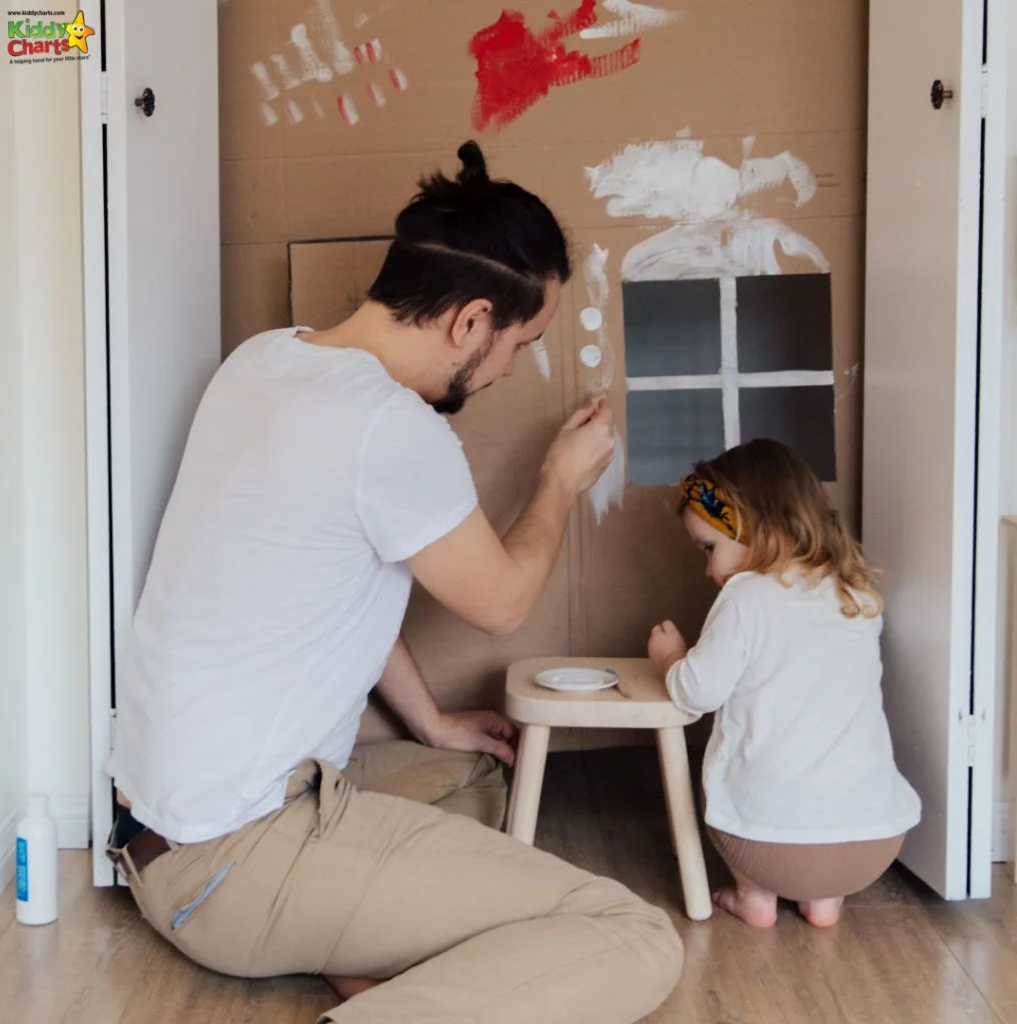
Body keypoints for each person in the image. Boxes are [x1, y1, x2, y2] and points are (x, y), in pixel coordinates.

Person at [105, 141, 683, 1024]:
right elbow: (503, 605)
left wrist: (431, 720)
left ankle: (357, 953)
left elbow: (339, 594)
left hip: (158, 833)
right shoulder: (391, 431)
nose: (511, 369)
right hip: (232, 864)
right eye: (520, 344)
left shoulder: (264, 361)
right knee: (632, 934)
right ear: (470, 321)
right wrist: (559, 481)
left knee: (480, 778)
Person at [647, 439, 922, 929]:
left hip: (768, 846)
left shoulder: (745, 599)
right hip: (873, 844)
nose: (710, 570)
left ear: (752, 527)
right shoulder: (857, 594)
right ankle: (825, 902)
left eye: (710, 549)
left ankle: (753, 894)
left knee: (729, 779)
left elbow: (697, 693)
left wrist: (670, 658)